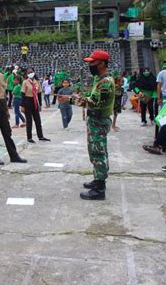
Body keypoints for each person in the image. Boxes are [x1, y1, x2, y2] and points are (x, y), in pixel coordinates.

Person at [59, 50, 115, 200]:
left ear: (102, 63)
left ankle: (99, 188)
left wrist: (71, 99)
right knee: (96, 151)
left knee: (98, 153)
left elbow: (94, 103)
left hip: (99, 121)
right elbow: (93, 98)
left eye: (93, 62)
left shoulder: (105, 83)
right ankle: (98, 180)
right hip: (95, 121)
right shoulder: (100, 79)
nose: (90, 65)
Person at [0, 53, 27, 165]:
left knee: (7, 133)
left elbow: (2, 94)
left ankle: (14, 156)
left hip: (2, 106)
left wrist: (7, 110)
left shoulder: (0, 75)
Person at [21, 68, 50, 144]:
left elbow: (39, 94)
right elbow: (23, 95)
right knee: (29, 121)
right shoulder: (25, 82)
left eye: (31, 72)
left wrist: (39, 104)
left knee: (38, 120)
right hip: (27, 101)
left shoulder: (37, 82)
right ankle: (29, 137)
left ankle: (40, 136)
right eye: (29, 72)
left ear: (34, 72)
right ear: (27, 74)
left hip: (35, 101)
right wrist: (22, 106)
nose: (30, 73)